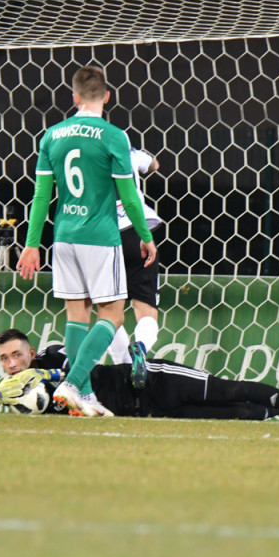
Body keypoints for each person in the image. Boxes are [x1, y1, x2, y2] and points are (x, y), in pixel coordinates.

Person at [17, 65, 156, 417]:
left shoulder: (52, 135)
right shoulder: (113, 136)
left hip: (64, 237)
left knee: (76, 316)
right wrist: (144, 235)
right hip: (100, 236)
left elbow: (40, 196)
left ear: (75, 97)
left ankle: (87, 396)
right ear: (107, 96)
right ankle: (74, 382)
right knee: (113, 315)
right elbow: (129, 193)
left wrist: (32, 244)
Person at [0, 328, 279, 422]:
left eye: (16, 355)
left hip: (150, 378)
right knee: (237, 413)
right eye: (5, 359)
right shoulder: (19, 396)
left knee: (228, 390)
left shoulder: (54, 353)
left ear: (31, 353)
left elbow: (81, 366)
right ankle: (275, 412)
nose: (11, 364)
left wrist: (46, 376)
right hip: (143, 410)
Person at [107, 147, 163, 389]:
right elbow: (155, 165)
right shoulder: (128, 152)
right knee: (146, 310)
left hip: (105, 237)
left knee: (108, 313)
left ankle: (123, 365)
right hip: (138, 233)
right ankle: (140, 347)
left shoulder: (87, 155)